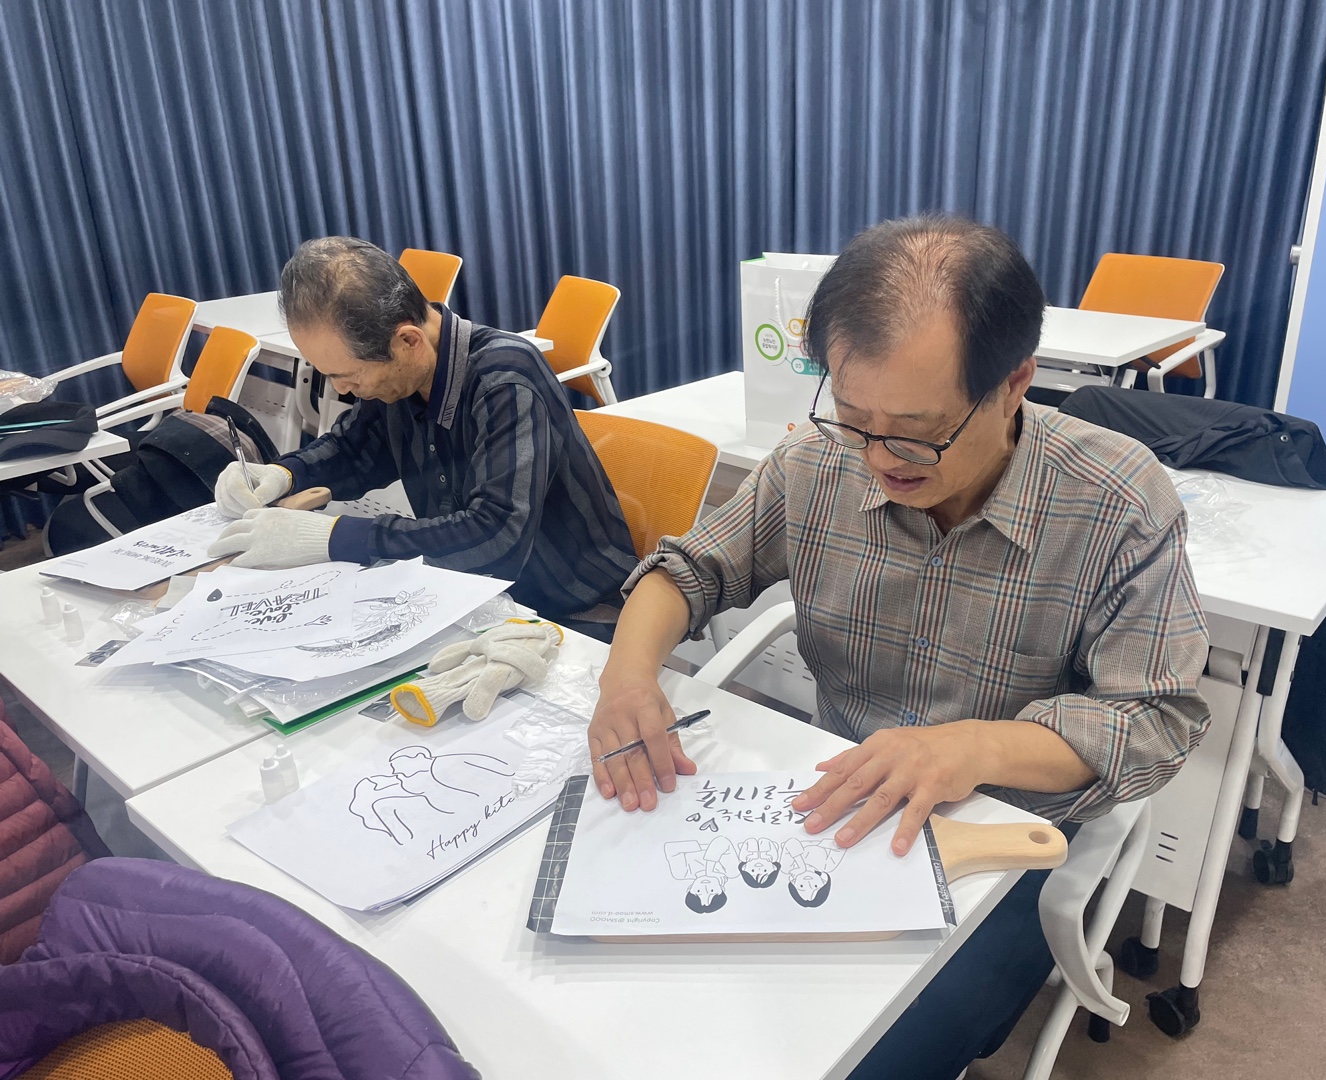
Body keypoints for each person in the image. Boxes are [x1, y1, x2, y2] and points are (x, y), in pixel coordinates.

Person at [585, 215, 1210, 1077]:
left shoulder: (1118, 501)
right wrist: (627, 677)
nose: (881, 458)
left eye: (917, 430)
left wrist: (973, 748)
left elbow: (1155, 718)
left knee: (863, 1056)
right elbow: (689, 571)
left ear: (1014, 383)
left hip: (1000, 836)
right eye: (854, 417)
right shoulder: (818, 463)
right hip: (832, 803)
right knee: (668, 1005)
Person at [208, 237, 637, 634]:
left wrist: (334, 537)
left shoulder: (505, 379)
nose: (343, 390)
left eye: (347, 375)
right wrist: (282, 474)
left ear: (408, 341)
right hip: (471, 596)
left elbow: (495, 536)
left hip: (570, 611)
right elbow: (354, 451)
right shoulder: (399, 374)